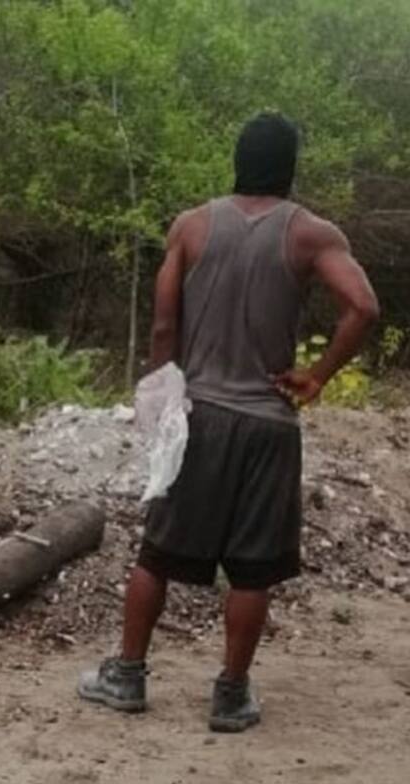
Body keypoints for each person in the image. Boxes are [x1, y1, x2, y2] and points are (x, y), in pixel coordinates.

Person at [78, 113, 379, 733]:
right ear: (290, 167)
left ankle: (127, 676)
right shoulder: (311, 234)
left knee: (156, 553)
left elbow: (165, 324)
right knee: (253, 567)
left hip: (200, 416)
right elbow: (363, 307)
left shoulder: (190, 226)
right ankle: (230, 695)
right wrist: (317, 375)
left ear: (237, 160)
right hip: (269, 423)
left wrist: (163, 395)